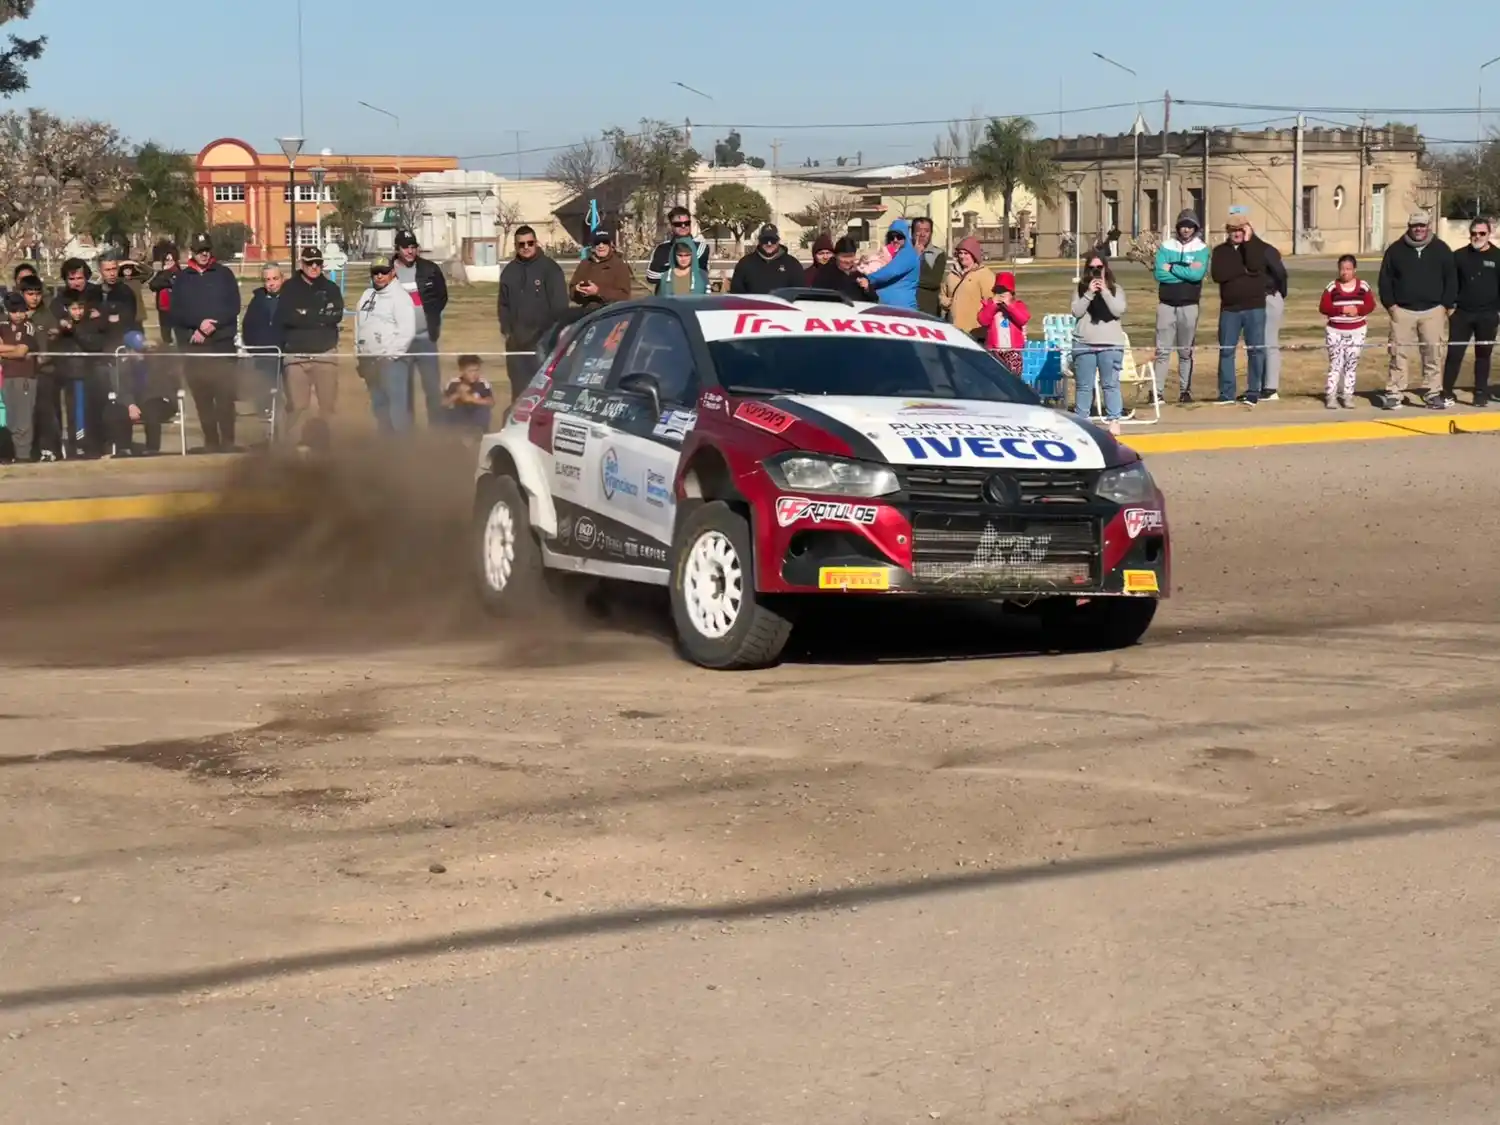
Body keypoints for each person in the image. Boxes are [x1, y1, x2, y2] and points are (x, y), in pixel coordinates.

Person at [170, 232, 243, 453]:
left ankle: (228, 441)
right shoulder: (182, 279)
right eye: (200, 250)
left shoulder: (224, 275)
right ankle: (211, 441)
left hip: (222, 345)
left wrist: (215, 324)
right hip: (195, 347)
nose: (204, 254)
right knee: (203, 399)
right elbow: (176, 313)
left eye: (207, 250)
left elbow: (233, 306)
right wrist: (198, 326)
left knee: (224, 397)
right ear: (192, 251)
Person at [1377, 210, 1456, 410]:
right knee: (1398, 353)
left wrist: (1445, 305)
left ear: (1428, 226)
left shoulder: (1441, 249)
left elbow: (1451, 279)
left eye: (1422, 225)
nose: (1419, 229)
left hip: (1433, 311)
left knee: (1433, 352)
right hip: (1402, 310)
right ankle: (1394, 392)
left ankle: (1432, 392)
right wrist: (1391, 305)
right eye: (1415, 226)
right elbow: (1385, 280)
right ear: (1409, 227)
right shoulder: (1395, 250)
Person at [275, 244, 346, 451]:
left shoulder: (330, 288)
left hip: (325, 353)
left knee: (328, 405)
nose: (314, 267)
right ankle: (292, 448)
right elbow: (285, 317)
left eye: (318, 263)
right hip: (296, 355)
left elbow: (337, 314)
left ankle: (328, 445)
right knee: (298, 406)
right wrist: (318, 316)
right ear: (302, 264)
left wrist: (305, 314)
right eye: (310, 263)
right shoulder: (289, 287)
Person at [498, 225, 568, 403]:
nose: (526, 247)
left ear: (536, 243)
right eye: (521, 244)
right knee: (519, 392)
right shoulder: (509, 272)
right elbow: (503, 305)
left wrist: (549, 336)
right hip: (516, 344)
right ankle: (518, 428)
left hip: (542, 342)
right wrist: (507, 331)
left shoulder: (550, 269)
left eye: (530, 243)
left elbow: (560, 307)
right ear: (516, 246)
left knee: (543, 391)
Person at [1209, 208, 1269, 405]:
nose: (1236, 233)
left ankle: (1254, 391)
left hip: (1254, 307)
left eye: (1240, 229)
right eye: (1232, 230)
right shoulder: (1219, 251)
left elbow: (1255, 267)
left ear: (1247, 230)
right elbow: (1219, 275)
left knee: (1256, 349)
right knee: (1227, 349)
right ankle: (1226, 393)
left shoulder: (1256, 247)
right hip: (1230, 309)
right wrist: (1242, 271)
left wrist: (1249, 243)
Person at [391, 228, 449, 423]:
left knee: (433, 389)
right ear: (397, 249)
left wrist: (430, 316)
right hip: (400, 343)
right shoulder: (387, 271)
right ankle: (406, 437)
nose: (410, 251)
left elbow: (442, 296)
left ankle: (437, 432)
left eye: (413, 247)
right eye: (405, 247)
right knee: (403, 392)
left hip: (426, 339)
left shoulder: (430, 269)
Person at [354, 255, 418, 433]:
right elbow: (359, 325)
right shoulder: (367, 295)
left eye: (383, 272)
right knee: (379, 407)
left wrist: (389, 356)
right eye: (375, 272)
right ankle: (385, 447)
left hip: (392, 363)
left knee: (397, 410)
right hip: (369, 361)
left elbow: (407, 331)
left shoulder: (400, 297)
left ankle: (402, 450)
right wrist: (359, 353)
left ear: (392, 272)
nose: (379, 276)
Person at [1442, 216, 1500, 407]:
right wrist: (1450, 307)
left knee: (1483, 355)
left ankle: (1480, 393)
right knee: (1454, 354)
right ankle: (1447, 391)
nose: (1477, 237)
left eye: (1482, 233)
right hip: (1462, 315)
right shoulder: (1458, 256)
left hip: (1488, 315)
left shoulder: (1497, 257)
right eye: (1474, 233)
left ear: (1489, 234)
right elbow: (1450, 283)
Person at [1151, 210, 1209, 403]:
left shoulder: (1201, 248)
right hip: (1166, 304)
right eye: (1183, 225)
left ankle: (1185, 390)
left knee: (1185, 351)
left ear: (1195, 228)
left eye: (1190, 226)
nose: (1186, 229)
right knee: (1162, 351)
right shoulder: (1166, 247)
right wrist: (1185, 270)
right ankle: (1157, 392)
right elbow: (1159, 273)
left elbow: (1196, 275)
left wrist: (1173, 267)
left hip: (1189, 305)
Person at [1069, 253, 1128, 424]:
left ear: (1105, 269)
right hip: (1084, 343)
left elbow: (1118, 310)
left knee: (1110, 385)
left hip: (1110, 344)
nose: (1096, 271)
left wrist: (1105, 292)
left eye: (1099, 267)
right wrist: (1089, 294)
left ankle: (1114, 420)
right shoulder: (1080, 290)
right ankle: (1083, 421)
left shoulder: (1116, 289)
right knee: (1084, 386)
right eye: (1092, 268)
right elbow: (1076, 312)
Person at [51, 291, 107, 457]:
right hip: (69, 375)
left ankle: (87, 445)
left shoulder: (90, 324)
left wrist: (74, 330)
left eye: (80, 308)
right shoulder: (62, 327)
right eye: (74, 309)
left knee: (87, 412)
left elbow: (94, 344)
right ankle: (75, 447)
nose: (78, 312)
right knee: (72, 413)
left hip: (86, 374)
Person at [1318, 254, 1376, 411]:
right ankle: (1331, 395)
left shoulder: (1363, 286)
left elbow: (1371, 305)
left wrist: (1357, 310)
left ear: (1354, 270)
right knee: (1336, 364)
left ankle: (1348, 395)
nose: (1345, 272)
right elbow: (1324, 307)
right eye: (1342, 269)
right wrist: (1341, 309)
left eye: (1348, 269)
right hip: (1335, 330)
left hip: (1357, 330)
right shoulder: (1332, 287)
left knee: (1351, 364)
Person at [240, 263, 286, 419]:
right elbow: (248, 326)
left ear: (282, 278)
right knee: (265, 395)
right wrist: (254, 350)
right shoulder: (257, 301)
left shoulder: (291, 299)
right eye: (267, 280)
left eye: (275, 278)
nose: (271, 283)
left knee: (286, 396)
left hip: (286, 356)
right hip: (263, 357)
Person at [1251, 220, 1289, 400]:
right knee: (1257, 344)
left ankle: (1271, 387)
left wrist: (1279, 292)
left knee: (1269, 341)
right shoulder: (1244, 252)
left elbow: (1281, 273)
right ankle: (1257, 385)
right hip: (1253, 300)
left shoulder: (1266, 250)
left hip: (1269, 297)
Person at [0, 291, 39, 462]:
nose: (18, 315)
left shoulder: (29, 327)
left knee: (23, 419)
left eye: (21, 311)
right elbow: (15, 350)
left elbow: (21, 352)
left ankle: (23, 455)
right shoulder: (2, 326)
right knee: (11, 419)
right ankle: (12, 454)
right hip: (6, 377)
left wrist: (4, 351)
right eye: (13, 311)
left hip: (24, 376)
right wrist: (13, 349)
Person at [939, 237, 994, 340]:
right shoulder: (951, 275)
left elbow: (991, 301)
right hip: (953, 329)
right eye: (960, 253)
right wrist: (948, 303)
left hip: (975, 330)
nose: (962, 256)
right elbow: (942, 295)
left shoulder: (985, 275)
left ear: (974, 255)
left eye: (966, 253)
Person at [978, 272, 1030, 375]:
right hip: (994, 350)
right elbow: (983, 320)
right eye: (998, 291)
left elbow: (1023, 319)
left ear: (1012, 293)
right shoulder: (989, 306)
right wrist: (993, 305)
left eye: (1005, 291)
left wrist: (1009, 306)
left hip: (1013, 351)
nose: (1001, 295)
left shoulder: (1017, 305)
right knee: (996, 377)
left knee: (1013, 379)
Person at [645, 206, 710, 289]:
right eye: (678, 224)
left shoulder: (700, 247)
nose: (683, 226)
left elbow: (697, 273)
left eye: (686, 223)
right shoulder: (661, 248)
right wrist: (678, 271)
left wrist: (667, 269)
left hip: (692, 298)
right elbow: (652, 277)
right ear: (671, 226)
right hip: (666, 299)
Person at [569, 229, 634, 311]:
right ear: (593, 245)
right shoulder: (585, 263)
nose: (601, 246)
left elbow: (625, 296)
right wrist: (577, 290)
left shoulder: (619, 265)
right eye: (597, 243)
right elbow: (572, 292)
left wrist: (598, 292)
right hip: (588, 313)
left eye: (604, 242)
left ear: (610, 244)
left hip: (611, 314)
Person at [729, 224, 805, 294]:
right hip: (753, 308)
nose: (769, 243)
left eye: (773, 240)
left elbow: (799, 293)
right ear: (759, 241)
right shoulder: (745, 264)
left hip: (782, 308)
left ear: (778, 241)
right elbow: (736, 294)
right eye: (765, 240)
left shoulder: (792, 264)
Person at [864, 219, 920, 309]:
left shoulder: (908, 253)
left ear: (906, 236)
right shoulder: (895, 254)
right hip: (889, 309)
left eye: (899, 236)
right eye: (891, 237)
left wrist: (868, 278)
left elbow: (891, 272)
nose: (895, 240)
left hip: (902, 310)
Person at [441, 353, 496, 435]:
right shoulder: (453, 383)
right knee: (448, 411)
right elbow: (443, 403)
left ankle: (480, 433)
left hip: (476, 416)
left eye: (476, 370)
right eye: (470, 371)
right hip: (459, 417)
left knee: (484, 409)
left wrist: (471, 399)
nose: (474, 374)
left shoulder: (482, 383)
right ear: (462, 370)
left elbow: (491, 402)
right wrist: (458, 394)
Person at [809, 236, 873, 302]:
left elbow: (873, 299)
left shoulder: (858, 274)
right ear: (836, 256)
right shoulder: (824, 275)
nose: (848, 260)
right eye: (844, 256)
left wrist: (867, 288)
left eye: (851, 256)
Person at [910, 216, 947, 317]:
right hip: (907, 306)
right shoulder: (905, 253)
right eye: (918, 231)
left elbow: (933, 281)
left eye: (926, 231)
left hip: (928, 308)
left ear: (931, 233)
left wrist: (918, 258)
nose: (922, 234)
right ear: (912, 233)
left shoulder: (938, 254)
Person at [147, 246, 179, 346]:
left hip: (176, 307)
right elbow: (153, 285)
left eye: (171, 259)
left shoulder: (179, 272)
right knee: (165, 333)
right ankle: (167, 346)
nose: (168, 262)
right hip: (163, 307)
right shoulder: (161, 273)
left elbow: (175, 283)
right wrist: (165, 274)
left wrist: (165, 281)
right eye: (166, 260)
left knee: (178, 331)